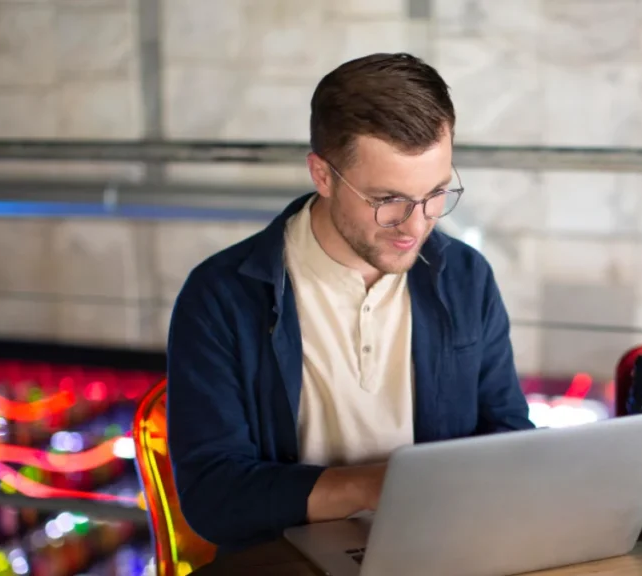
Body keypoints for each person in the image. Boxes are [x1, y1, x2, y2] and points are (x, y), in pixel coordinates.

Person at [165, 52, 535, 551]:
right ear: (322, 175)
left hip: (444, 552)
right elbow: (213, 498)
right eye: (389, 201)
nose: (418, 224)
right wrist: (374, 486)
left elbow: (509, 436)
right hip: (287, 562)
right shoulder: (220, 298)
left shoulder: (467, 278)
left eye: (437, 193)